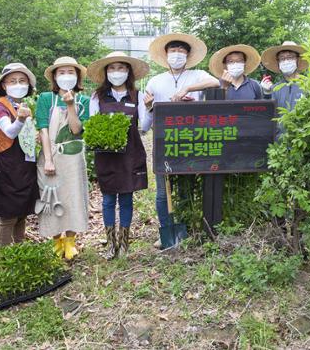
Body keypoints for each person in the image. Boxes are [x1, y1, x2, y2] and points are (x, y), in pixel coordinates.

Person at [143, 33, 220, 248]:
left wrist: (188, 89)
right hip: (163, 142)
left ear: (187, 56)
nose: (177, 55)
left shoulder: (196, 75)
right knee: (162, 191)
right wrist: (150, 107)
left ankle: (185, 227)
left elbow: (215, 82)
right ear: (166, 55)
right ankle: (166, 229)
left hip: (189, 141)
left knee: (186, 187)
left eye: (181, 51)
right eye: (173, 51)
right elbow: (145, 124)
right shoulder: (155, 81)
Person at [87, 51, 150, 259]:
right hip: (106, 155)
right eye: (112, 68)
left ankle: (124, 243)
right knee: (107, 199)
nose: (116, 72)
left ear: (128, 72)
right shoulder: (97, 97)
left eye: (121, 68)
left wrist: (149, 108)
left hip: (130, 153)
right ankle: (110, 243)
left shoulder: (137, 96)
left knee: (126, 198)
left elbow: (145, 126)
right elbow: (93, 125)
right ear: (106, 72)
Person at [36, 56, 90, 260]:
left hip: (74, 156)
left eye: (70, 72)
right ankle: (56, 240)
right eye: (61, 72)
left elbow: (76, 130)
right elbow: (42, 129)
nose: (66, 76)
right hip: (50, 155)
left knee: (73, 197)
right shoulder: (45, 99)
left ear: (77, 77)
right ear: (54, 77)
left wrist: (70, 106)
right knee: (51, 198)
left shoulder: (83, 101)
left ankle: (70, 241)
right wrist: (48, 159)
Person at [0, 63, 39, 246]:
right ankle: (5, 256)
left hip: (25, 165)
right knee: (8, 215)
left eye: (22, 81)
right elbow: (9, 132)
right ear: (4, 85)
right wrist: (20, 119)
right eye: (13, 81)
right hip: (8, 166)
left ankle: (20, 251)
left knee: (22, 213)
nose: (18, 84)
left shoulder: (22, 105)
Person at [260, 41, 309, 138]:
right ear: (278, 63)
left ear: (297, 60)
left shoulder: (308, 85)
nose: (286, 61)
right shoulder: (275, 88)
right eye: (282, 59)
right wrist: (267, 93)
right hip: (280, 145)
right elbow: (267, 116)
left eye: (290, 57)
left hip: (303, 143)